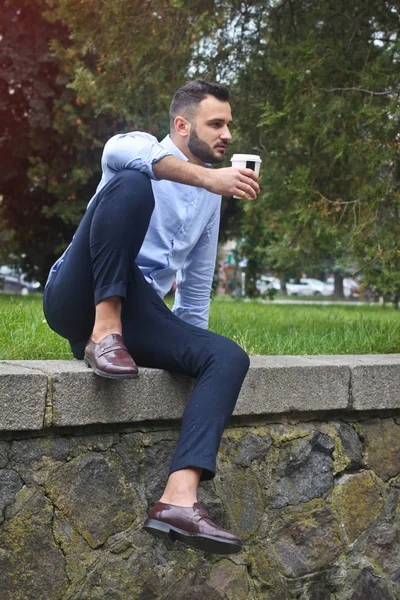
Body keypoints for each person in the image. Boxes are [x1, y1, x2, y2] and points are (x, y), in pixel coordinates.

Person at [43, 79, 259, 554]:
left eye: (229, 125)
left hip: (141, 313)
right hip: (77, 292)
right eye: (216, 124)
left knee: (227, 357)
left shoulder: (210, 199)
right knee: (133, 183)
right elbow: (126, 156)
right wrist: (209, 179)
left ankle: (178, 499)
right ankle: (103, 331)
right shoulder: (135, 146)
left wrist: (188, 349)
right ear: (182, 125)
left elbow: (196, 288)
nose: (226, 135)